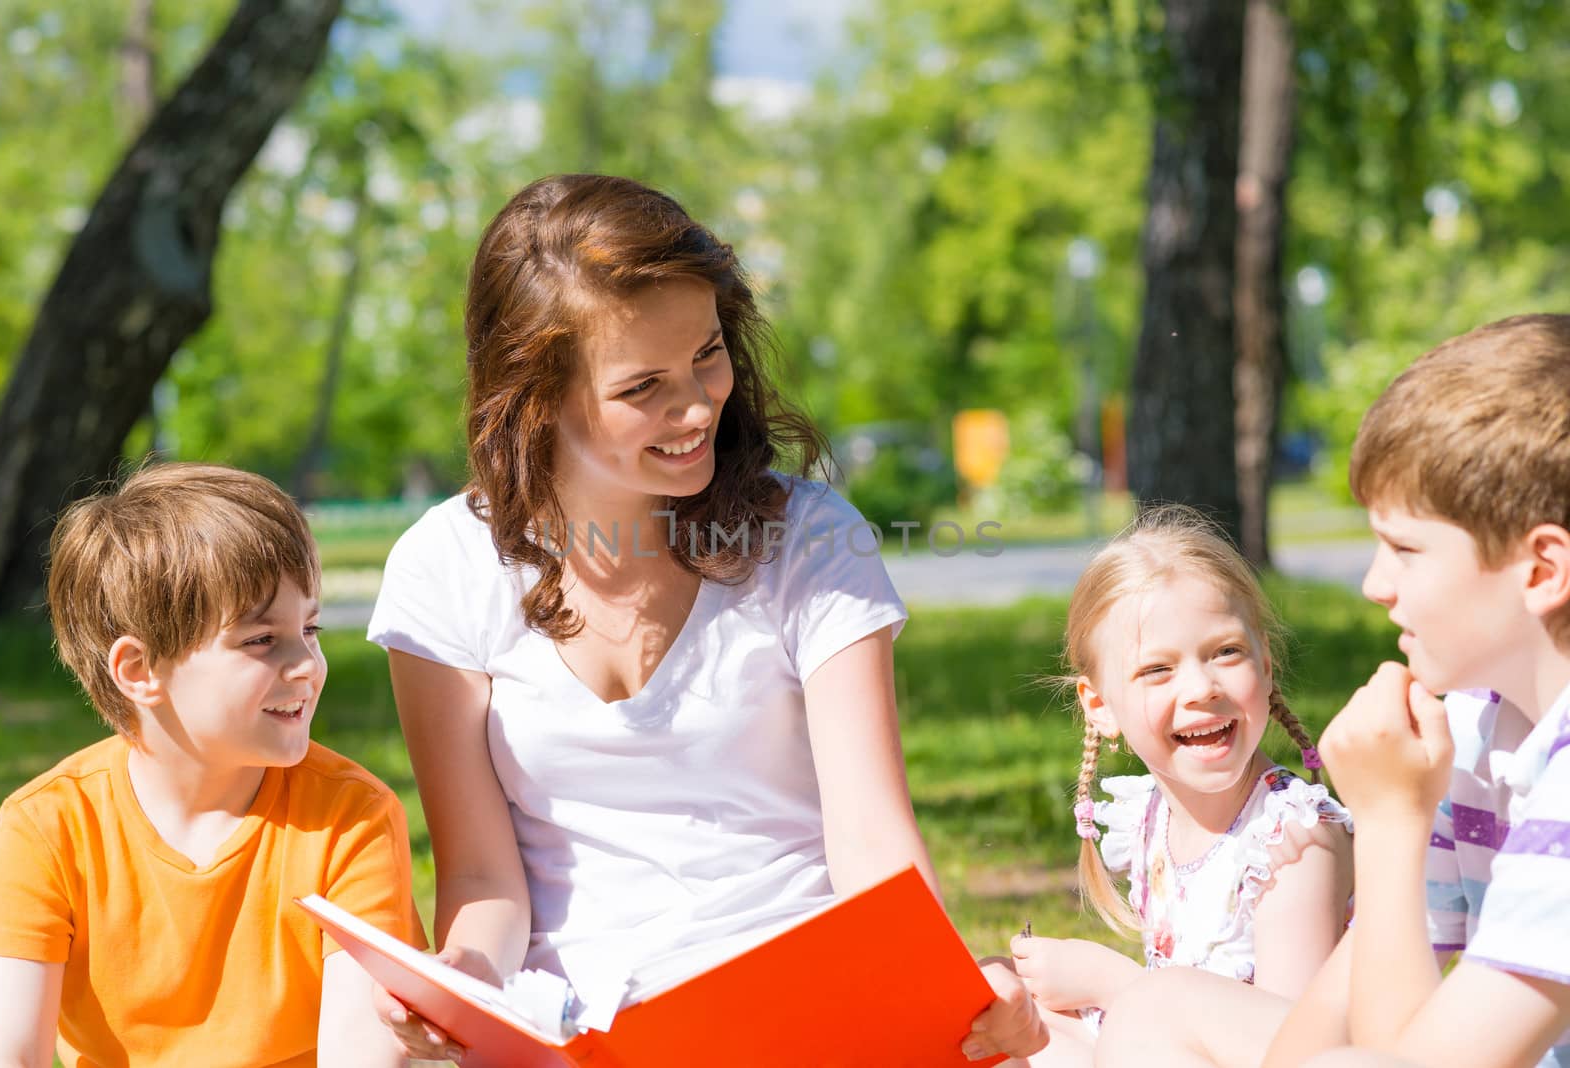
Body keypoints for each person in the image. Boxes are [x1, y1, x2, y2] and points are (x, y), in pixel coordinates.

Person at [364, 173, 1043, 1063]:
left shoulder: (807, 536)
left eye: (708, 353)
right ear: (537, 395)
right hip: (580, 1025)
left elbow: (874, 839)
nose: (696, 407)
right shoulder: (444, 567)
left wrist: (943, 990)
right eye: (643, 386)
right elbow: (485, 878)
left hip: (803, 1005)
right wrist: (462, 979)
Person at [1094, 313, 1570, 1068]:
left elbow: (1405, 1062)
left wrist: (1387, 820)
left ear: (1542, 570)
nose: (1374, 585)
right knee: (1158, 1006)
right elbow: (1312, 1037)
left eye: (1406, 550)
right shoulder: (1479, 729)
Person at [0, 463, 423, 1068]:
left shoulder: (352, 818)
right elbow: (2, 1052)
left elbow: (364, 1054)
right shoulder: (46, 827)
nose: (308, 664)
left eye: (309, 628)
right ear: (139, 670)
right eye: (261, 640)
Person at [1007, 505, 1353, 1065]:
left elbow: (1295, 1048)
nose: (1200, 687)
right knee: (1014, 1025)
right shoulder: (1150, 817)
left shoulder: (1292, 839)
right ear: (1099, 706)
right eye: (1157, 670)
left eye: (1226, 653)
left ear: (1266, 666)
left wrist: (1114, 981)